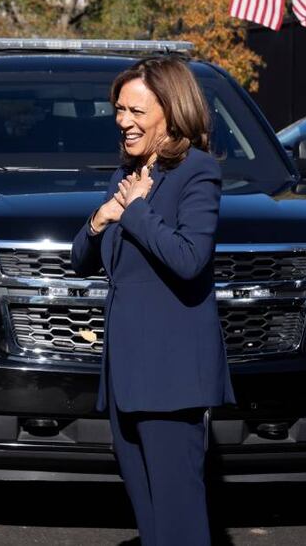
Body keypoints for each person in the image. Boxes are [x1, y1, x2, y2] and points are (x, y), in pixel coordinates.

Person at [70, 56, 233, 546]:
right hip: (126, 376)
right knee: (152, 522)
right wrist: (101, 219)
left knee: (179, 524)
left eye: (137, 111)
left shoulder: (197, 172)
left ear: (171, 111)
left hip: (171, 378)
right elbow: (81, 260)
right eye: (120, 110)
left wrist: (136, 210)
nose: (124, 121)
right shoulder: (128, 173)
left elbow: (189, 259)